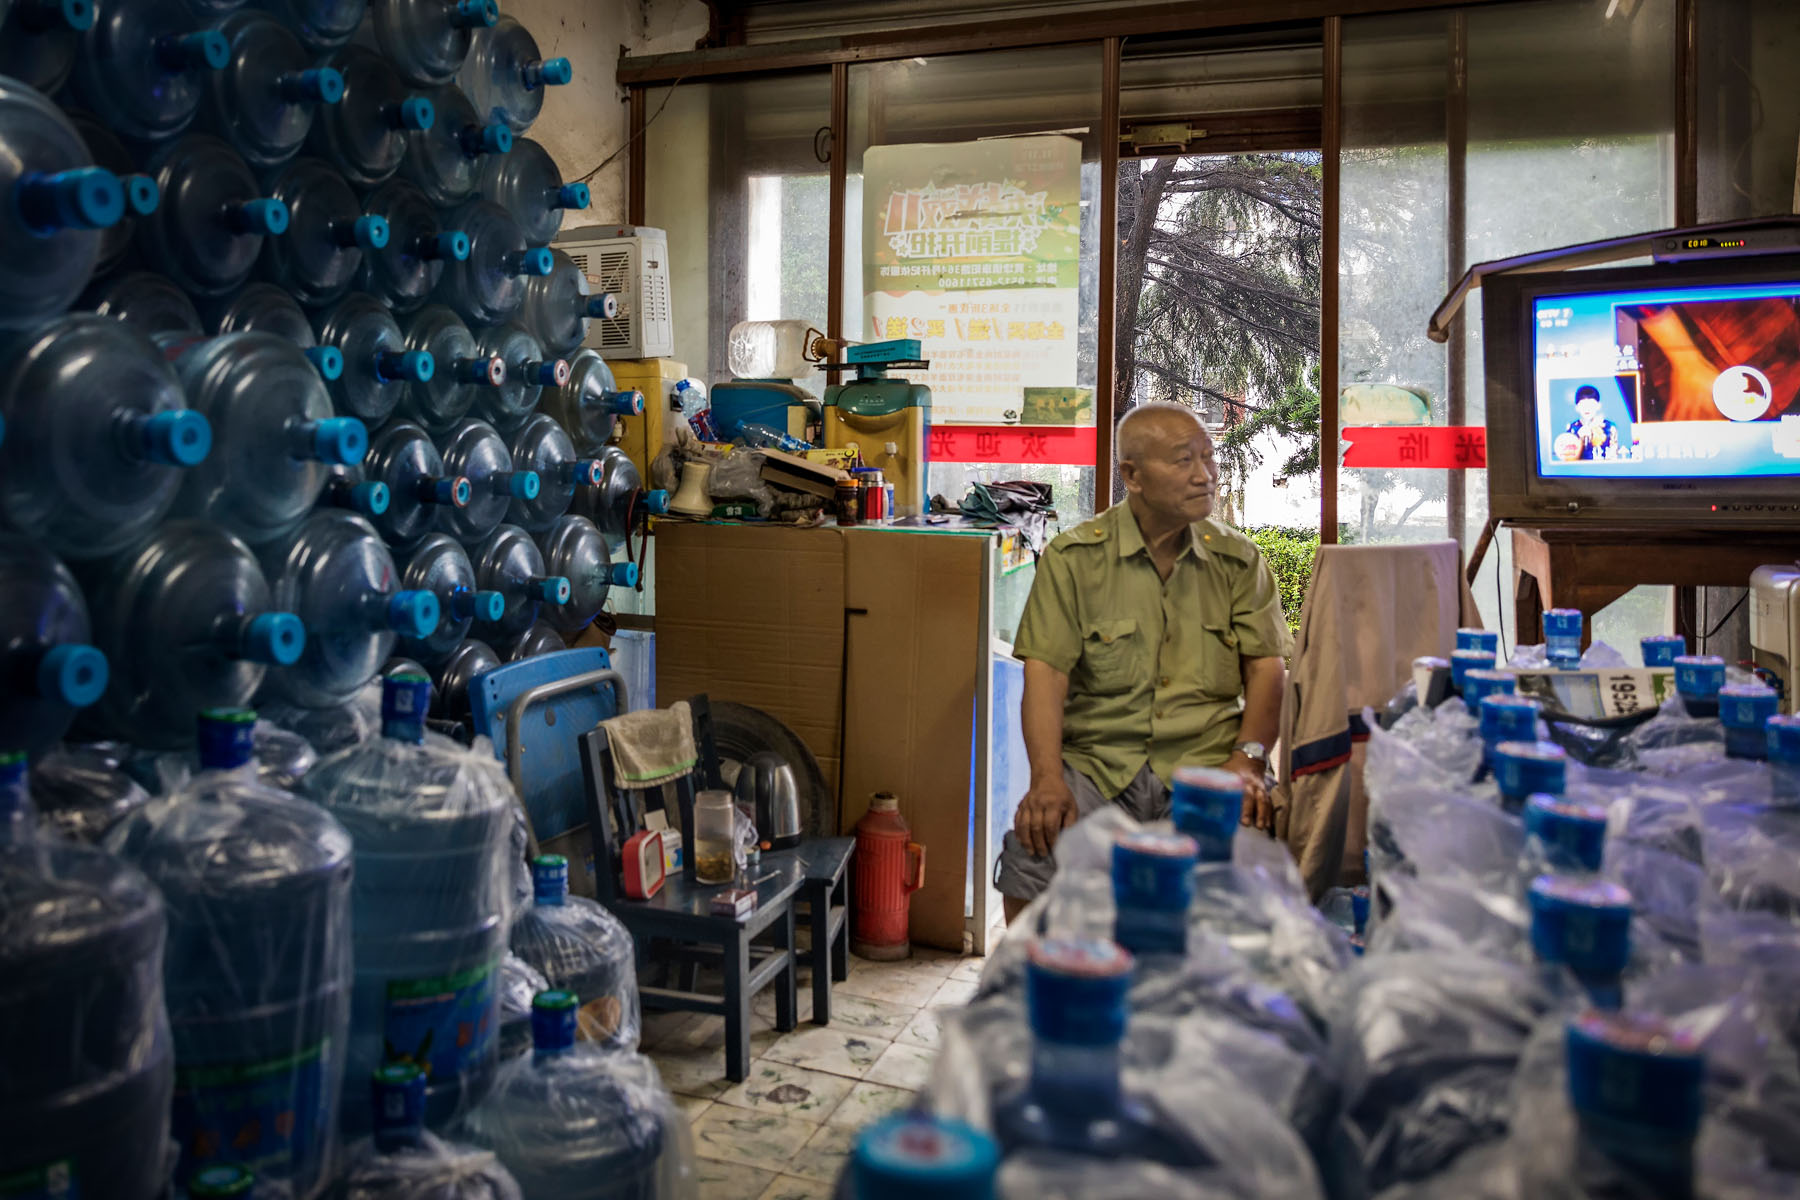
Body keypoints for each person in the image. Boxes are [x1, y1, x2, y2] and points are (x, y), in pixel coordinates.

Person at [995, 402, 1293, 921]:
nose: (1205, 476)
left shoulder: (1240, 562)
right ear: (1131, 475)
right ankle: (1032, 991)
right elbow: (1046, 674)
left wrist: (1247, 761)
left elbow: (1267, 669)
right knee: (1035, 846)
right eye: (1184, 461)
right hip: (1099, 766)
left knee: (1246, 861)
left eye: (1208, 457)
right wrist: (1046, 778)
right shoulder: (1073, 560)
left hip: (1208, 766)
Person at [1564, 385, 1622, 460]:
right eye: (1583, 405)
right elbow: (1568, 459)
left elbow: (1614, 455)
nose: (1587, 408)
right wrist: (1579, 438)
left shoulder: (1609, 427)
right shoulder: (1572, 429)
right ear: (1577, 407)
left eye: (1591, 404)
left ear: (1598, 406)